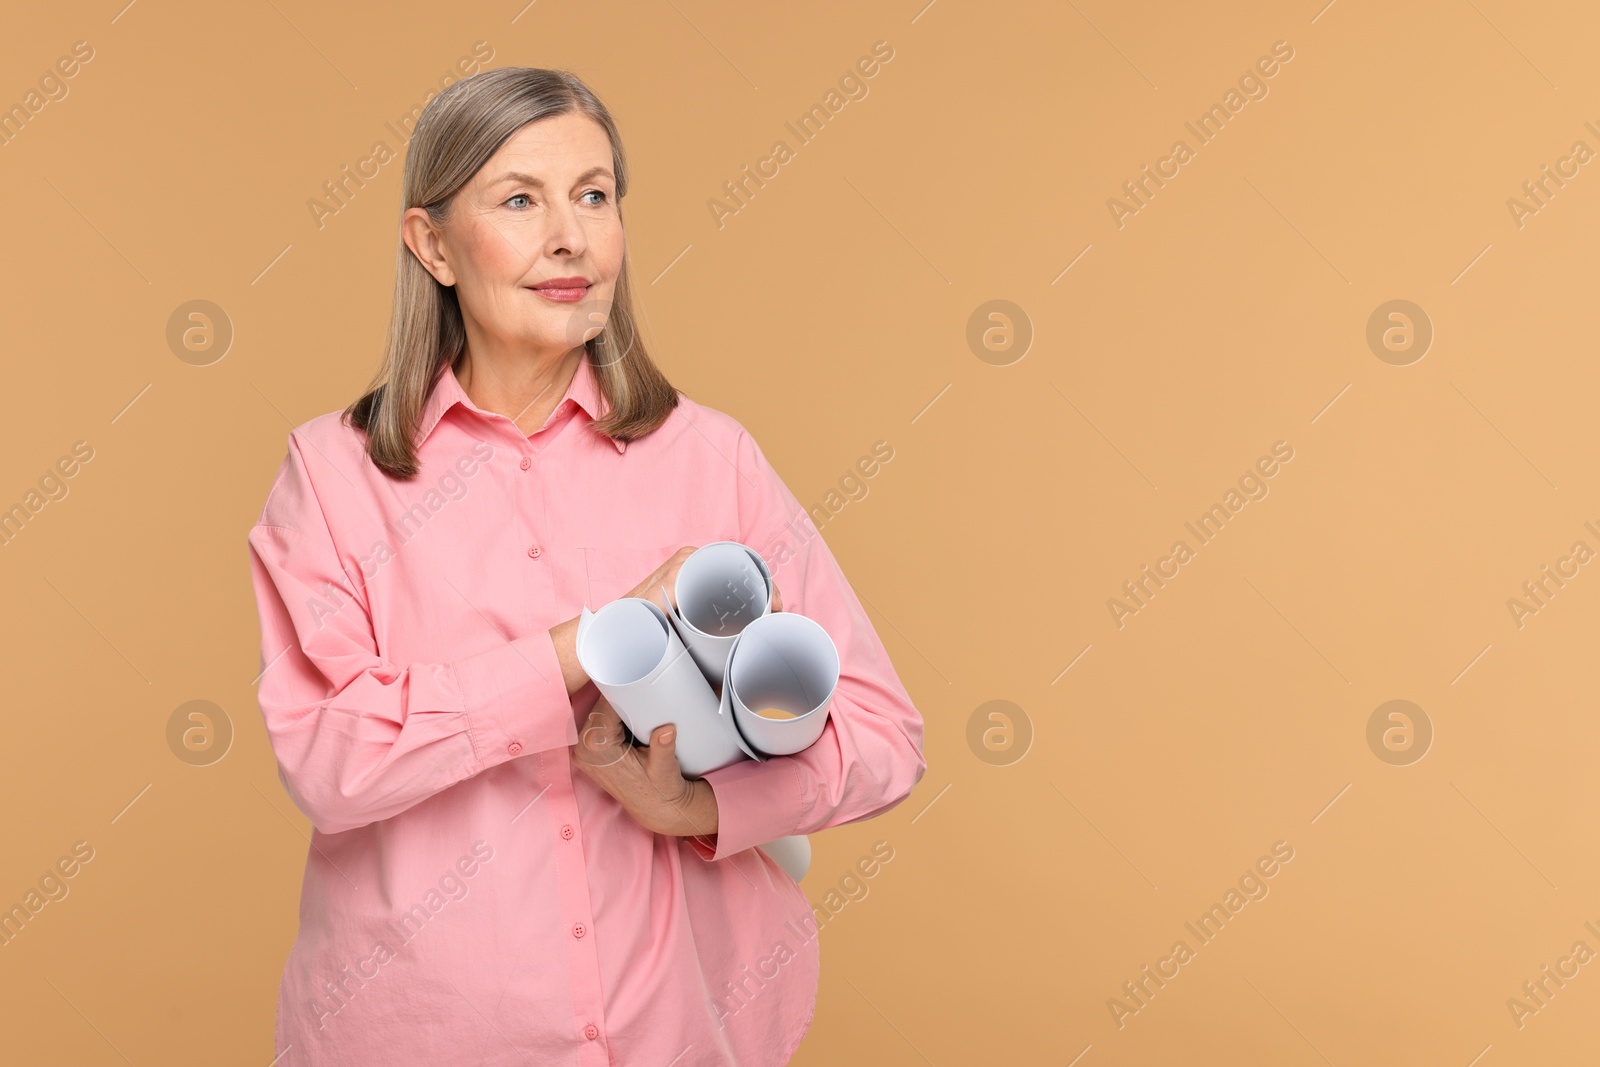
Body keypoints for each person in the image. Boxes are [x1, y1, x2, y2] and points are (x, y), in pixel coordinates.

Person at [245, 66, 926, 1066]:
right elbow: (329, 758)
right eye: (519, 199)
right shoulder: (336, 475)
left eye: (594, 195)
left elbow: (883, 735)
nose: (571, 236)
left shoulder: (710, 457)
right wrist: (581, 645)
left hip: (680, 1032)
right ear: (433, 244)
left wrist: (699, 808)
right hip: (418, 1035)